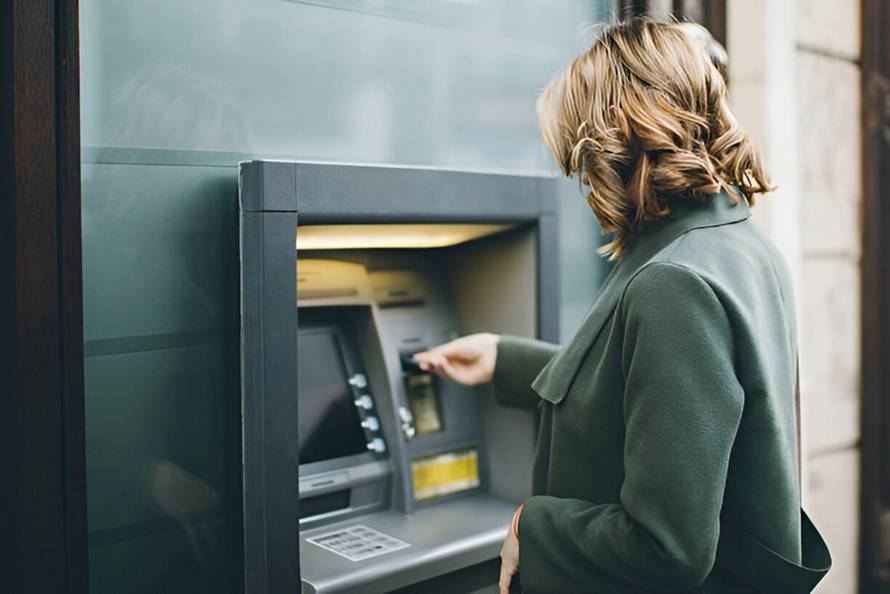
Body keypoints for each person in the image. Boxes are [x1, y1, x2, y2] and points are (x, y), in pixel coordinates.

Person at [414, 16, 830, 594]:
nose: (584, 182)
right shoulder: (737, 246)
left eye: (581, 159)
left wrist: (531, 525)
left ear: (617, 139)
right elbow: (653, 393)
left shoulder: (673, 282)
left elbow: (666, 547)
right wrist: (503, 358)